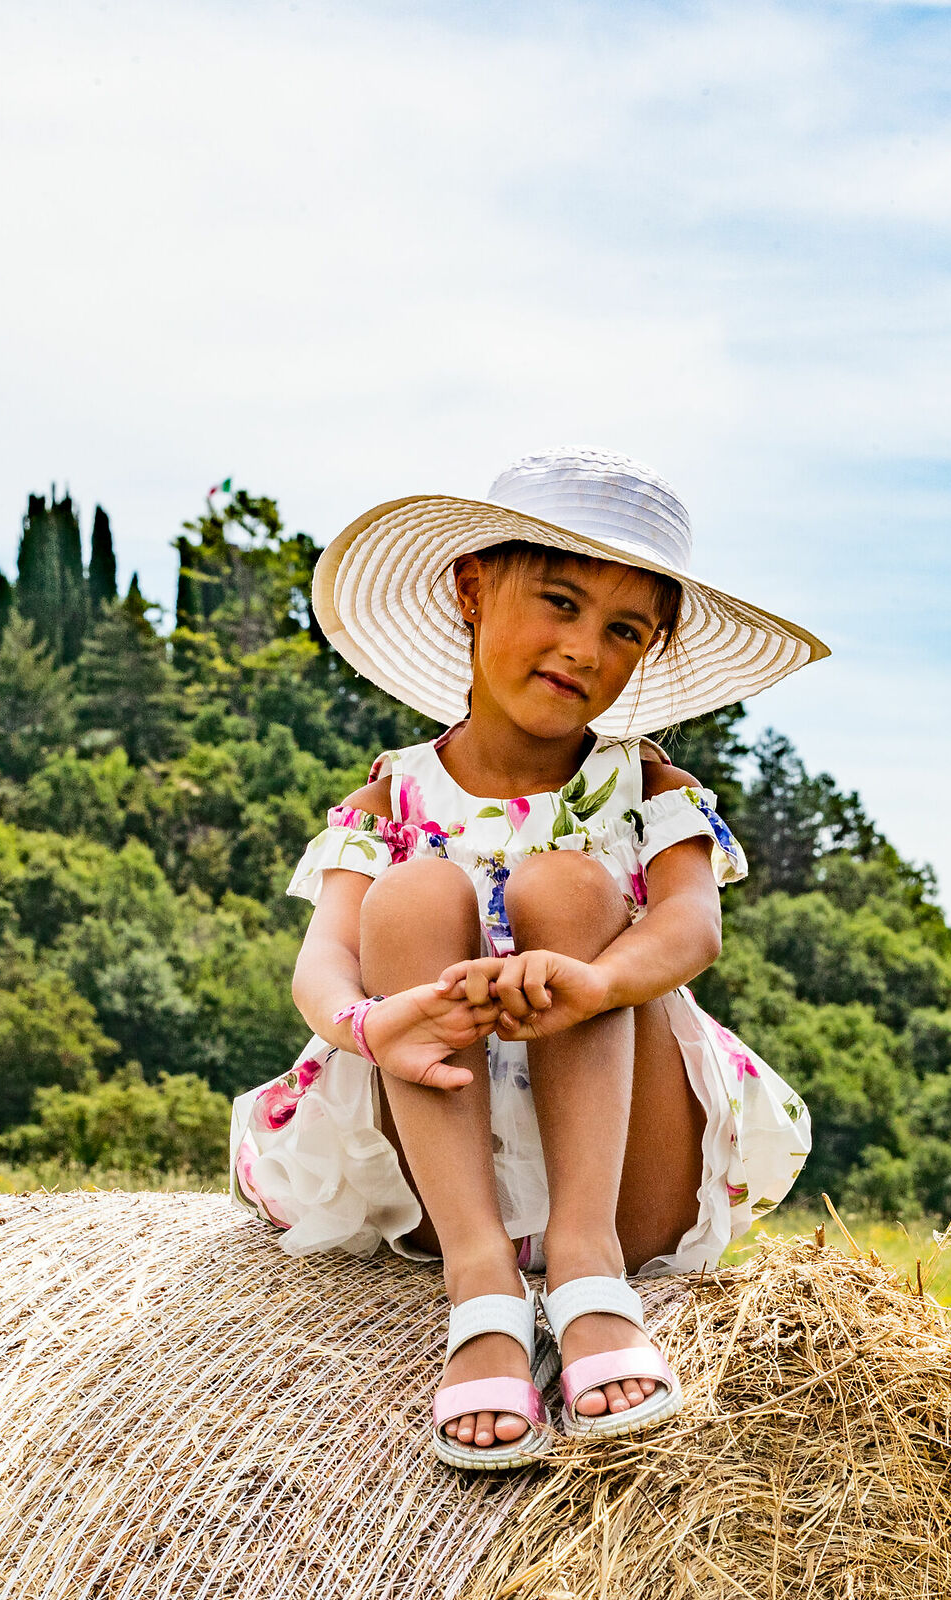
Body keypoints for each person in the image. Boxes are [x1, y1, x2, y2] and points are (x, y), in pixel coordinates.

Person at [229, 448, 826, 1469]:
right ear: (471, 587)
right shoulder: (393, 794)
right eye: (558, 601)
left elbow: (691, 927)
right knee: (415, 893)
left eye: (625, 630)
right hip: (436, 1181)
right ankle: (483, 1287)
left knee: (570, 886)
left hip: (625, 1174)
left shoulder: (646, 785)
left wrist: (598, 977)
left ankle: (590, 1276)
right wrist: (374, 1024)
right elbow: (323, 960)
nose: (584, 648)